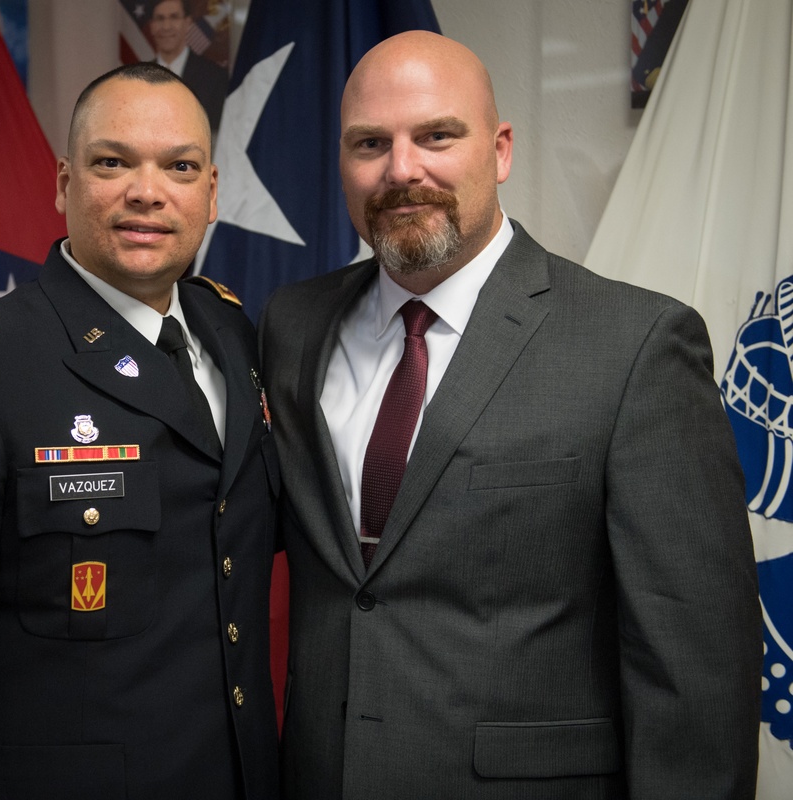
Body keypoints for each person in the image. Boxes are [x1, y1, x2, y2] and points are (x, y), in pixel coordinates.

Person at [259, 31, 762, 800]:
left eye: (436, 136)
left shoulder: (635, 346)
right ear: (341, 161)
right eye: (370, 143)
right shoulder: (289, 328)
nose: (401, 169)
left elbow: (695, 670)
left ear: (499, 151)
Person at [0, 63, 280, 800]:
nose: (146, 190)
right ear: (64, 183)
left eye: (180, 166)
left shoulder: (233, 335)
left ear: (211, 194)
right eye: (112, 162)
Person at [150, 0, 227, 135]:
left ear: (187, 23)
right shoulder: (137, 77)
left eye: (174, 17)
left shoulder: (215, 77)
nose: (166, 26)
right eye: (160, 18)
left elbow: (217, 135)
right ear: (152, 26)